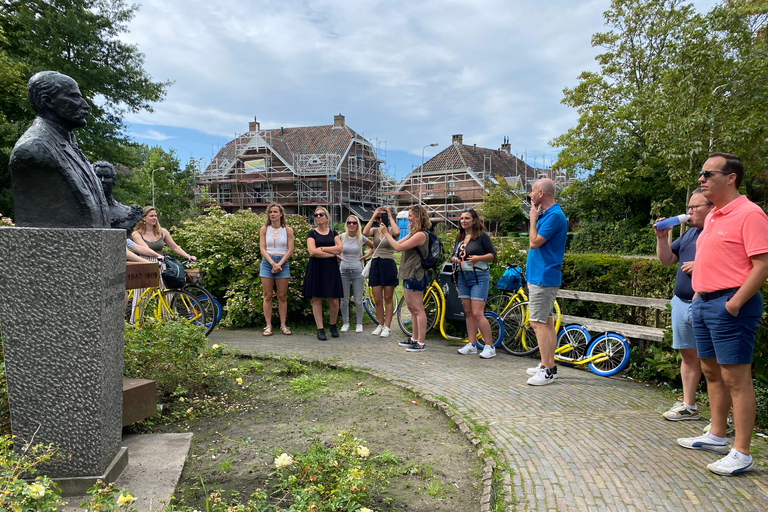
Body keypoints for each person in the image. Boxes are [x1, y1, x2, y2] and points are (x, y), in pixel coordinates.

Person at [677, 153, 768, 476]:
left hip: (731, 305)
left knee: (737, 379)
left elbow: (762, 264)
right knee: (711, 371)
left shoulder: (750, 214)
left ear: (731, 178)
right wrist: (701, 295)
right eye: (701, 173)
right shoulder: (714, 216)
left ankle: (742, 452)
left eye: (708, 173)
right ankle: (717, 435)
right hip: (704, 302)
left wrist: (734, 303)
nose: (701, 178)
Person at [8, 71, 109, 228]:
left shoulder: (70, 144)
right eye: (74, 97)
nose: (85, 105)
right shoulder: (32, 150)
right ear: (47, 101)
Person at [654, 189, 713, 420]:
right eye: (688, 207)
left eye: (694, 207)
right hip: (681, 303)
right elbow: (666, 260)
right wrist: (661, 238)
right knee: (688, 357)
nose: (689, 212)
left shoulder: (716, 233)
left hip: (705, 303)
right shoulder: (689, 235)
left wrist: (702, 266)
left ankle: (725, 416)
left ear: (712, 208)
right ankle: (689, 405)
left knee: (714, 362)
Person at [524, 178, 568, 386]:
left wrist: (533, 219)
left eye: (532, 191)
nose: (530, 195)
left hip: (544, 277)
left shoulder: (554, 216)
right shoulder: (547, 214)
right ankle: (549, 364)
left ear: (541, 193)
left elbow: (534, 243)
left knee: (537, 323)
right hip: (539, 275)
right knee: (547, 322)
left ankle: (546, 370)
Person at [380, 205, 431, 352]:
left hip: (416, 274)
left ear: (418, 217)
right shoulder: (413, 233)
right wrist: (388, 227)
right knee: (412, 308)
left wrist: (386, 233)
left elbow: (398, 248)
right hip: (408, 273)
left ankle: (421, 342)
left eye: (410, 216)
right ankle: (414, 338)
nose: (408, 218)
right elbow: (396, 244)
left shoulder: (421, 235)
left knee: (418, 308)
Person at [452, 209, 497, 358]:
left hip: (479, 277)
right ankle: (471, 344)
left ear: (474, 221)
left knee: (478, 313)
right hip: (463, 277)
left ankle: (489, 346)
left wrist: (478, 258)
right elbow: (454, 254)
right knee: (469, 312)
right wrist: (454, 259)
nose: (463, 221)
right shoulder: (460, 237)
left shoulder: (482, 236)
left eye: (467, 218)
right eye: (462, 218)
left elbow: (492, 255)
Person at [302, 207, 344, 340]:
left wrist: (323, 249)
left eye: (321, 214)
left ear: (327, 217)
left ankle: (333, 325)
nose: (318, 216)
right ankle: (320, 329)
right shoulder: (311, 233)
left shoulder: (333, 233)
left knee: (334, 299)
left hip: (331, 269)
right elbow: (312, 252)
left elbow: (340, 248)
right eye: (316, 215)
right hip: (317, 268)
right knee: (317, 298)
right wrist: (331, 254)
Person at [362, 206, 400, 337]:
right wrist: (373, 216)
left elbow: (397, 232)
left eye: (382, 217)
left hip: (388, 263)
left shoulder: (390, 230)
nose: (381, 219)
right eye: (380, 217)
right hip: (376, 263)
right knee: (377, 298)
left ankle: (387, 327)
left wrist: (389, 217)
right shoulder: (376, 230)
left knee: (388, 297)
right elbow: (365, 232)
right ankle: (380, 324)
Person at [259, 203, 295, 336]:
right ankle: (268, 325)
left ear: (281, 214)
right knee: (267, 295)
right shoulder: (264, 229)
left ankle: (283, 325)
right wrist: (273, 263)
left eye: (275, 212)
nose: (272, 214)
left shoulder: (287, 230)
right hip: (268, 262)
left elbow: (290, 249)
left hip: (283, 262)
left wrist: (279, 264)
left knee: (282, 296)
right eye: (270, 212)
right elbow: (262, 248)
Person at [338, 215, 374, 333]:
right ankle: (345, 323)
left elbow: (374, 247)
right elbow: (332, 248)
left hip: (358, 271)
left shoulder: (361, 238)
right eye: (349, 223)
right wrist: (338, 256)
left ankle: (359, 323)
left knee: (358, 300)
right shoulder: (341, 237)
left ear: (358, 224)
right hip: (344, 271)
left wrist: (365, 256)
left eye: (354, 223)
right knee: (344, 299)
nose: (351, 225)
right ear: (346, 224)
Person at [131, 206, 197, 262]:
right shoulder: (137, 234)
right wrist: (158, 256)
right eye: (151, 216)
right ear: (144, 218)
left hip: (161, 263)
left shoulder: (162, 232)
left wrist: (187, 256)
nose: (154, 218)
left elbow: (175, 247)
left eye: (155, 216)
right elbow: (146, 250)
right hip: (145, 263)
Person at [94, 160, 143, 234]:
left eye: (107, 177)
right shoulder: (82, 209)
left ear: (113, 180)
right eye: (98, 176)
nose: (102, 180)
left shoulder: (128, 212)